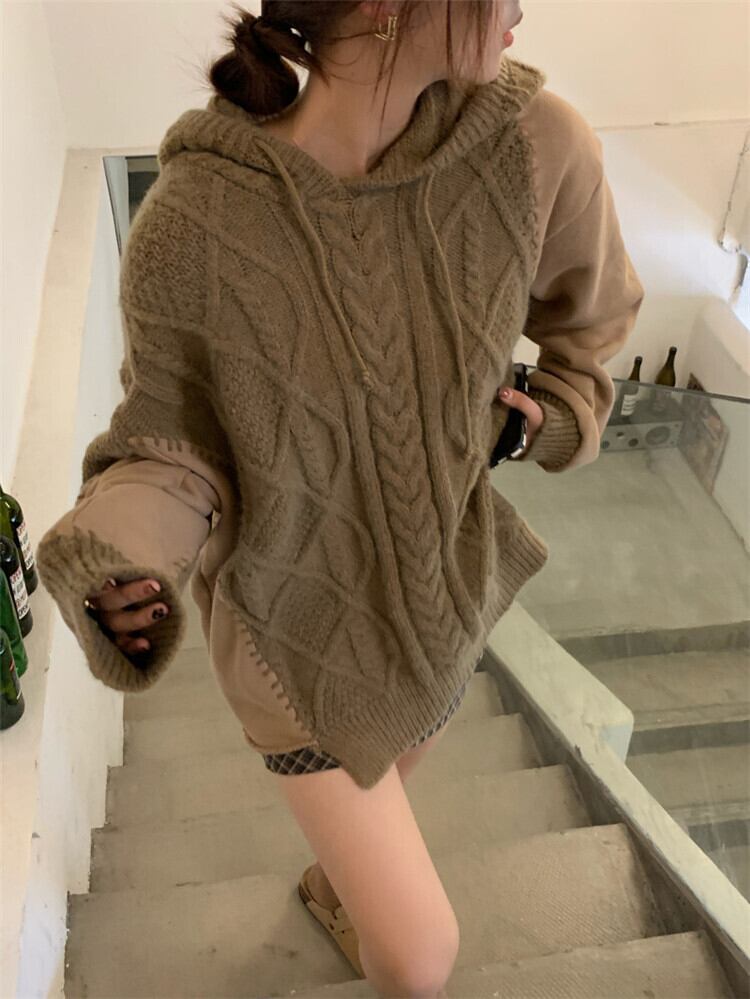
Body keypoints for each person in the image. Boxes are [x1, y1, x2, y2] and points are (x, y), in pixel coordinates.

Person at [35, 2, 645, 996]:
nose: (522, 8)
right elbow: (170, 444)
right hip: (294, 634)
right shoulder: (197, 222)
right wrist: (116, 552)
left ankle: (333, 887)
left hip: (444, 593)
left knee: (389, 775)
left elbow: (592, 328)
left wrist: (545, 415)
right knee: (420, 954)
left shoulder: (537, 148)